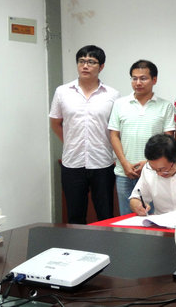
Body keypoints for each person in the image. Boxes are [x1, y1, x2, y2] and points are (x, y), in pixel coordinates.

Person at [49, 45, 119, 224]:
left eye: (91, 62)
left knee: (105, 215)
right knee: (74, 216)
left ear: (101, 66)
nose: (85, 66)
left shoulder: (112, 94)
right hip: (72, 162)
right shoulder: (62, 91)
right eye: (81, 61)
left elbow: (116, 129)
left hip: (102, 162)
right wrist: (70, 142)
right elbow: (55, 123)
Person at [109, 60, 175, 216]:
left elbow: (168, 140)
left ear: (154, 80)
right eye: (134, 78)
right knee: (126, 219)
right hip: (124, 172)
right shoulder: (119, 104)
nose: (138, 82)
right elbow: (114, 135)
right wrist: (124, 163)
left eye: (143, 78)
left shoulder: (166, 106)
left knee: (152, 219)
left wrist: (149, 163)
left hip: (154, 172)